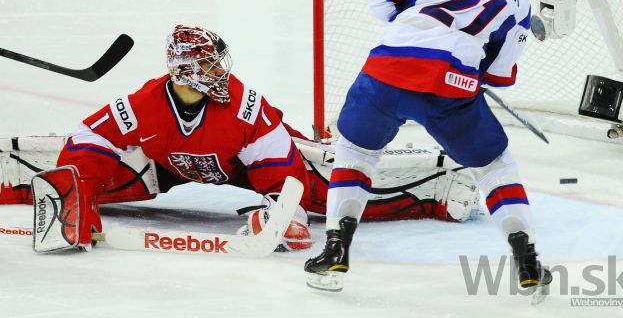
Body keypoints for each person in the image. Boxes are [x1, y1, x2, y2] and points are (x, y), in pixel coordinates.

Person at [27, 25, 481, 254]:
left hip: (245, 162)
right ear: (184, 72)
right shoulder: (145, 104)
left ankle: (435, 189)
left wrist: (288, 213)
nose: (220, 73)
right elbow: (92, 135)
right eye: (209, 67)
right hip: (166, 161)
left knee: (326, 186)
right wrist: (73, 185)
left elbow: (282, 174)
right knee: (84, 173)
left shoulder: (244, 109)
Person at [305, 0, 552, 293]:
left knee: (355, 153)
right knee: (493, 167)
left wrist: (405, 24)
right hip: (451, 89)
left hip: (388, 70)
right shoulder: (519, 5)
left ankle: (336, 250)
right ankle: (528, 261)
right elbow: (500, 77)